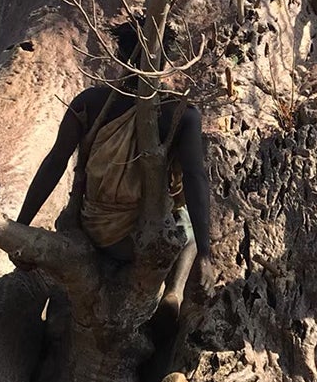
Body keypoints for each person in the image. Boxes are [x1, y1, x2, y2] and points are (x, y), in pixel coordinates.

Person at [17, 21, 210, 328]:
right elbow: (195, 178)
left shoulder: (90, 102)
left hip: (93, 229)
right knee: (185, 223)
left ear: (120, 54)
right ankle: (174, 290)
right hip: (148, 238)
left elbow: (55, 162)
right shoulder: (180, 113)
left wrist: (22, 226)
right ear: (164, 62)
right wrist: (207, 254)